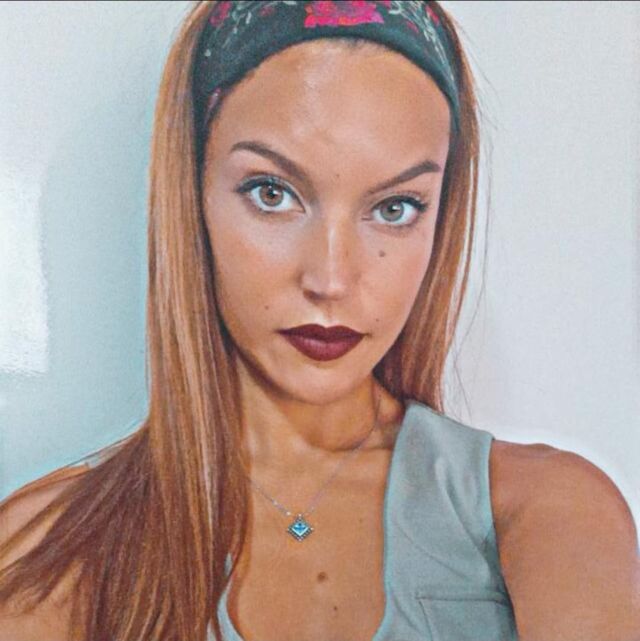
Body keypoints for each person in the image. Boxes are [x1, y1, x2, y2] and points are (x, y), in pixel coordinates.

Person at [1, 1, 639, 640]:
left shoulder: (545, 513)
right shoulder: (48, 548)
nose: (332, 279)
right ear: (191, 196)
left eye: (395, 207)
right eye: (272, 193)